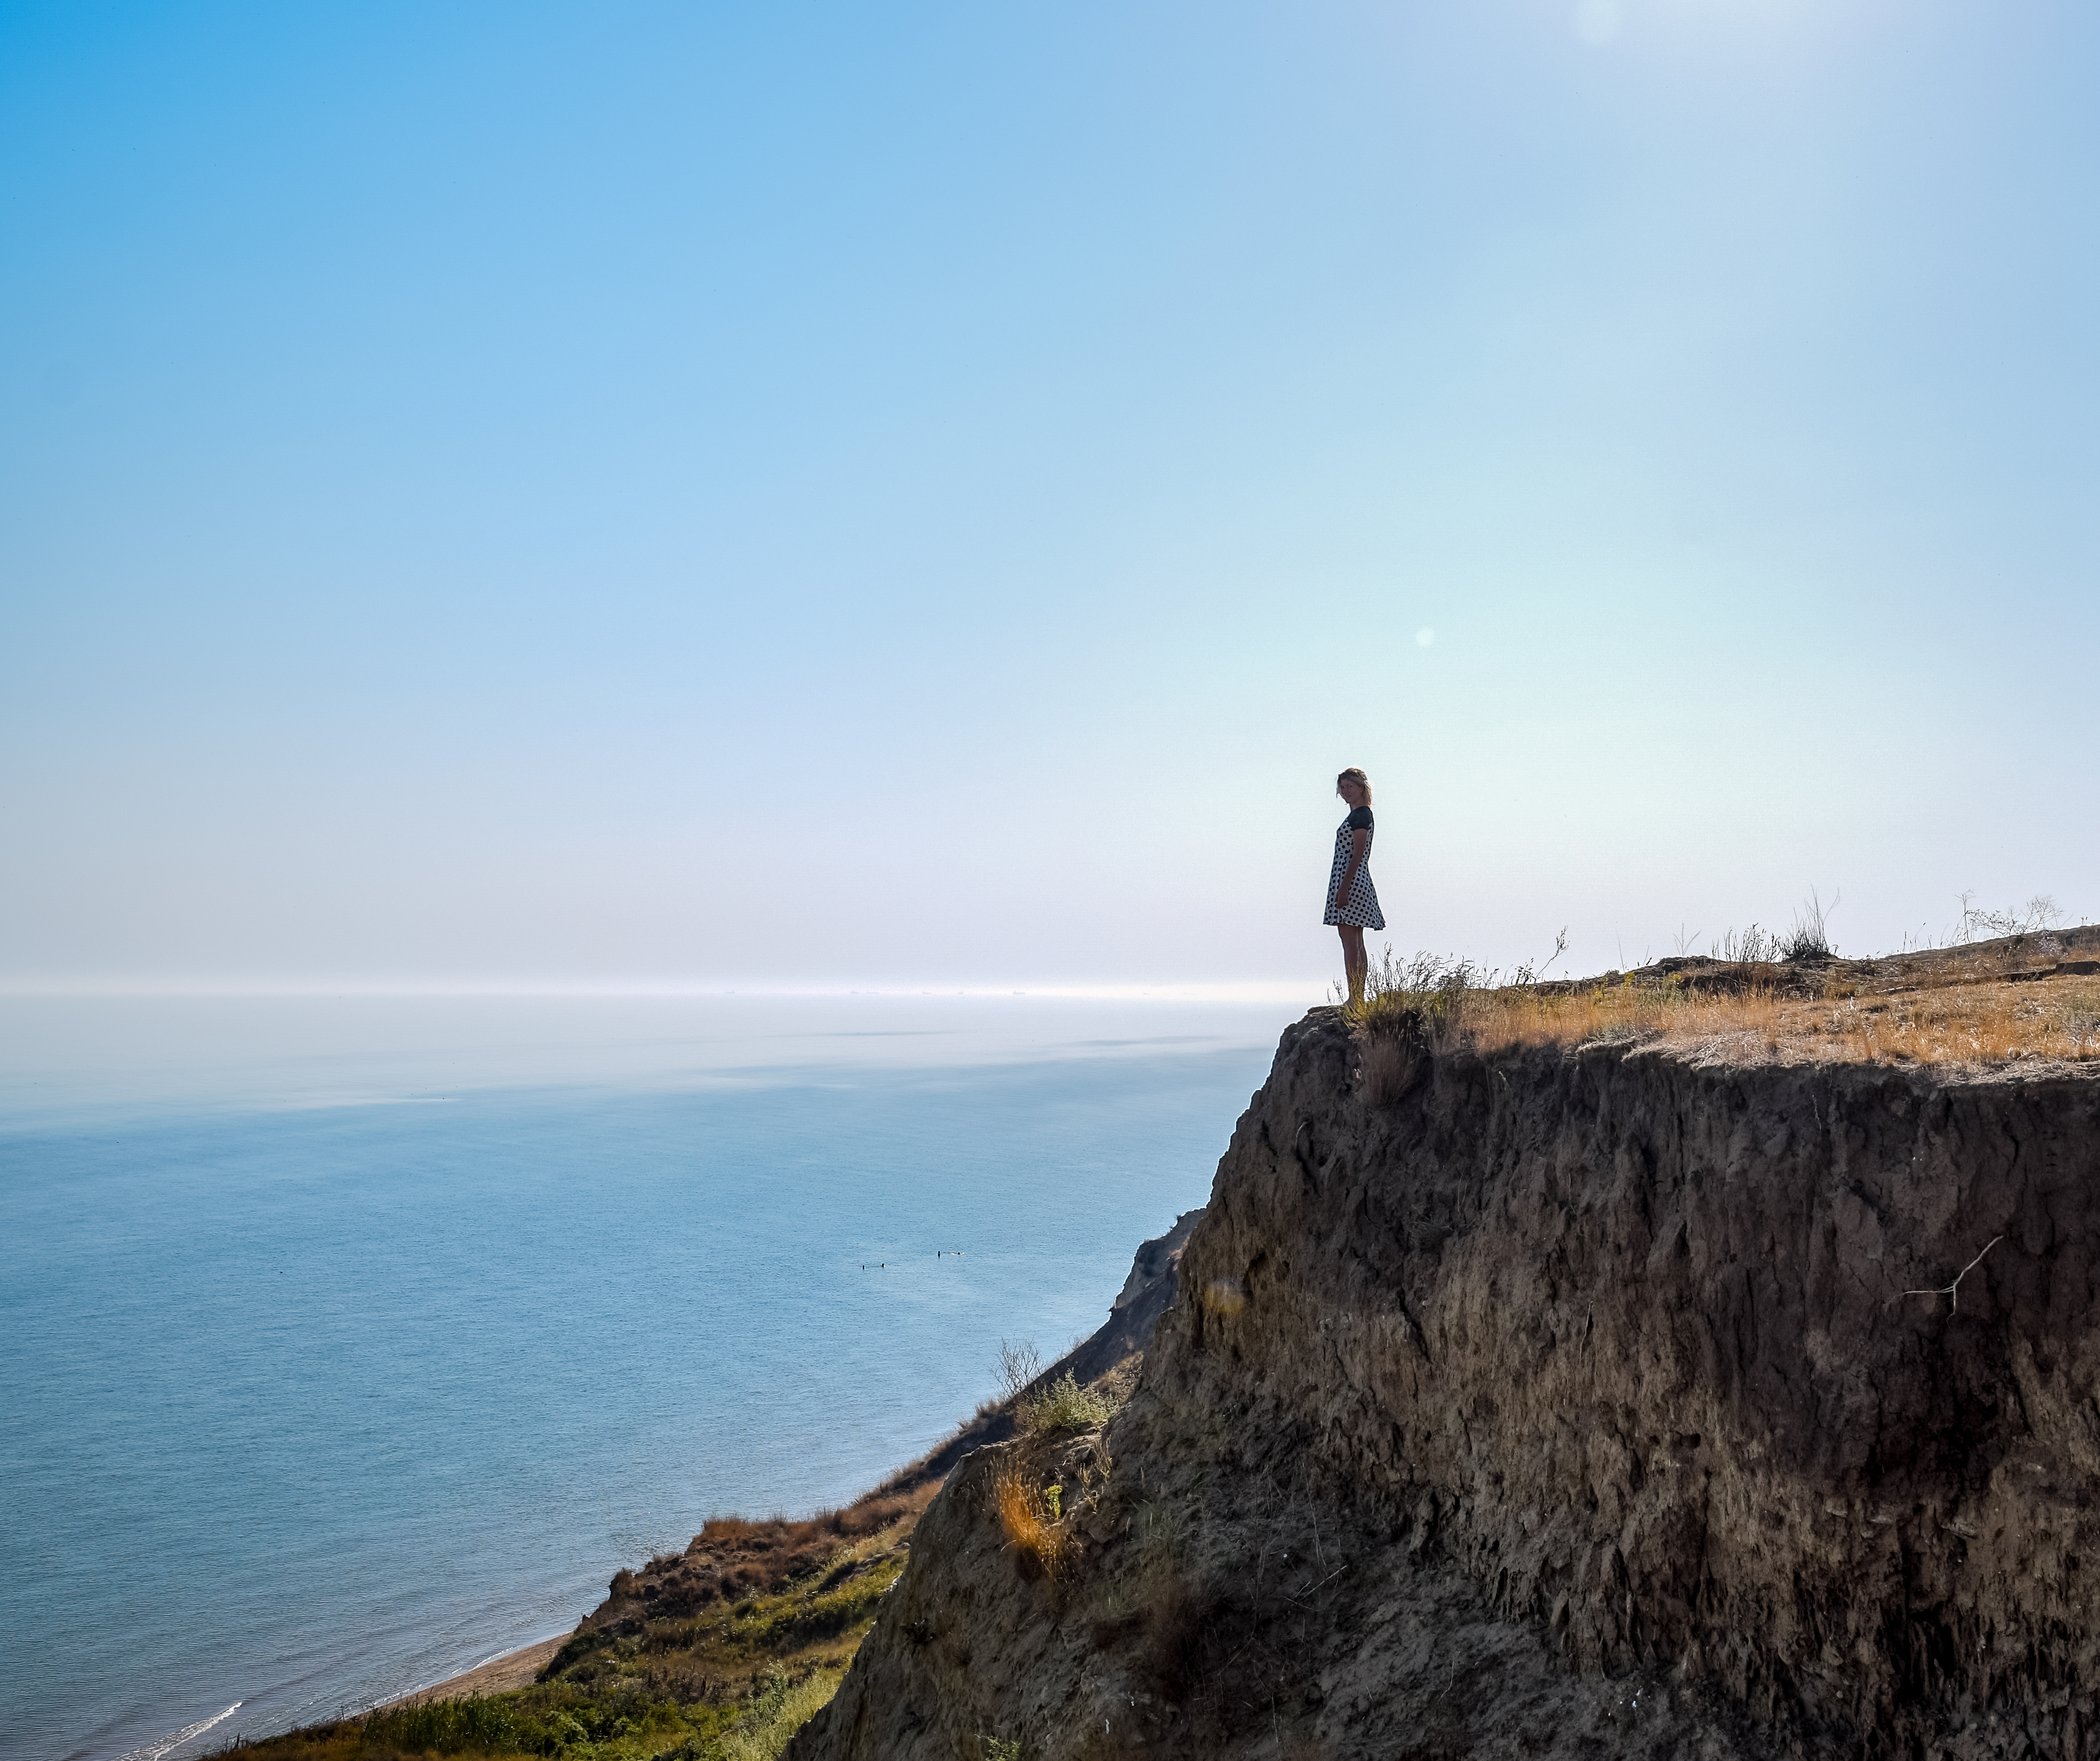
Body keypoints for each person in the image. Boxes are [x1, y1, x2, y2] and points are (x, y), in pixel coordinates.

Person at [1323, 768, 1385, 1005]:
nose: (1346, 790)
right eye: (1343, 786)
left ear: (1361, 788)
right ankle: (1357, 997)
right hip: (1354, 880)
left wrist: (1344, 888)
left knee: (1350, 942)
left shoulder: (1360, 816)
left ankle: (1355, 998)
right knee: (1356, 941)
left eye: (1351, 785)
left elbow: (1358, 854)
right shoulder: (1360, 815)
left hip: (1351, 880)